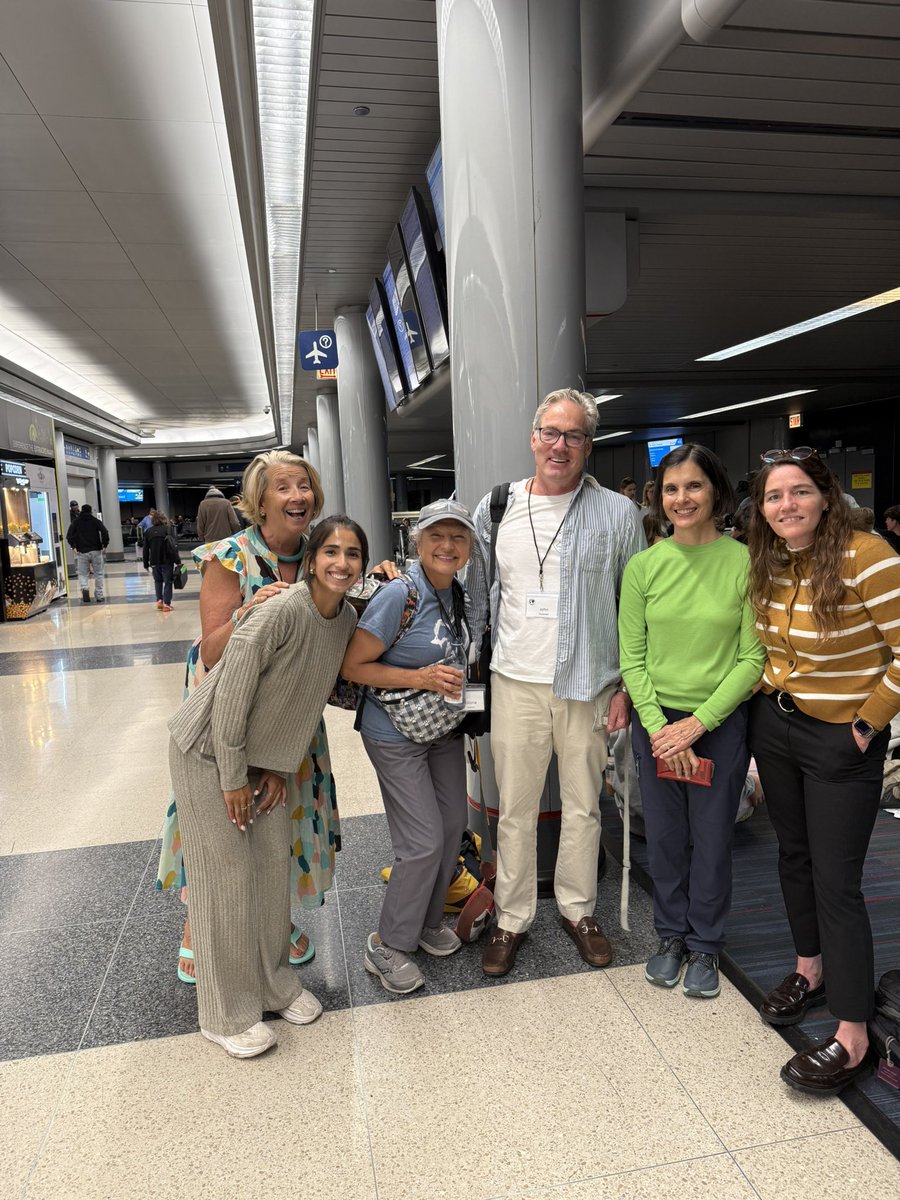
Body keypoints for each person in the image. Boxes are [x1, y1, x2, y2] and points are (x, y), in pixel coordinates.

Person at [168, 516, 366, 1057]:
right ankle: (225, 1012)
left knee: (271, 870)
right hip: (210, 751)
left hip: (265, 763)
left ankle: (275, 984)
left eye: (353, 554)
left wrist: (275, 768)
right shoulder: (278, 610)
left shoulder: (343, 618)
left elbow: (299, 697)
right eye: (330, 551)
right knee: (225, 880)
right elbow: (229, 692)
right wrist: (233, 776)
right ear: (311, 560)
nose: (341, 563)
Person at [466, 388, 645, 978]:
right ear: (533, 436)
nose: (559, 445)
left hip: (590, 683)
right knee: (513, 809)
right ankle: (511, 918)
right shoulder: (495, 508)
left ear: (588, 446)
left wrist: (624, 687)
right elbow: (474, 596)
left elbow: (634, 607)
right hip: (514, 681)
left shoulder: (619, 516)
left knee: (582, 806)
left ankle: (577, 909)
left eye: (573, 435)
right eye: (550, 432)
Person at [747, 447, 900, 1095]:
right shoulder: (772, 561)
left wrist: (866, 722)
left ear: (826, 496)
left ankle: (853, 1034)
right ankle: (810, 970)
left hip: (843, 738)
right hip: (778, 727)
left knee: (836, 882)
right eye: (775, 496)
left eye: (800, 492)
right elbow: (767, 647)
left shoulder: (869, 556)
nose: (787, 505)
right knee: (794, 857)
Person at [157, 451, 337, 981]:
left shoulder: (318, 556)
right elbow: (212, 651)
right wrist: (249, 611)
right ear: (260, 501)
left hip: (290, 711)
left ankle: (273, 921)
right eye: (284, 487)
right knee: (222, 812)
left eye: (304, 485)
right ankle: (198, 924)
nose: (297, 496)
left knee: (284, 806)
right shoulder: (230, 557)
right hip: (228, 709)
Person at [618, 444, 766, 999]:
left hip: (718, 725)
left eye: (694, 487)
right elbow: (632, 657)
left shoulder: (746, 562)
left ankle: (705, 943)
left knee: (711, 840)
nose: (682, 498)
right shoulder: (644, 566)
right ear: (659, 498)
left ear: (717, 492)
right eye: (671, 489)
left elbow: (753, 658)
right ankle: (671, 936)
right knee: (665, 837)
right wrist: (661, 728)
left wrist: (697, 724)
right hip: (656, 725)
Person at [341, 499, 478, 995]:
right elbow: (353, 666)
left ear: (468, 548)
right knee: (420, 841)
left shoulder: (456, 593)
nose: (447, 546)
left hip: (440, 727)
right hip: (394, 731)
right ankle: (388, 943)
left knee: (452, 827)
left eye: (458, 537)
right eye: (436, 537)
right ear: (417, 542)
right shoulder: (400, 593)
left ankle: (424, 922)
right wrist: (419, 676)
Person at [66, 503, 109, 604]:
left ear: (81, 510)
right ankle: (99, 595)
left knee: (83, 573)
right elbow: (105, 532)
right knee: (98, 573)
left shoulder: (76, 522)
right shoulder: (95, 521)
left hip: (82, 552)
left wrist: (73, 546)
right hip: (96, 551)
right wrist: (104, 544)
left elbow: (69, 535)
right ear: (90, 511)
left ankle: (85, 588)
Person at [142, 509, 180, 611]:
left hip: (154, 561)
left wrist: (145, 563)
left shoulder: (148, 532)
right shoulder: (168, 529)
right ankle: (166, 604)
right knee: (168, 581)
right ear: (164, 519)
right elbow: (173, 547)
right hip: (167, 560)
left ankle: (159, 600)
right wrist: (178, 561)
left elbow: (145, 549)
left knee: (158, 581)